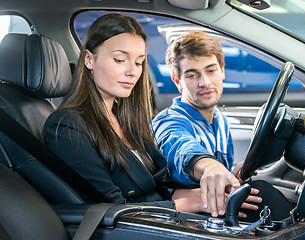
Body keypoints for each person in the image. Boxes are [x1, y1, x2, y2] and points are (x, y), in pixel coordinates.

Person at [43, 14, 211, 214]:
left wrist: (212, 194)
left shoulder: (124, 120)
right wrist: (194, 204)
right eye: (120, 59)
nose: (133, 71)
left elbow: (155, 191)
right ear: (89, 59)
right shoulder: (67, 125)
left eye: (139, 62)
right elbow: (112, 209)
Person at [152, 30, 294, 221]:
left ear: (222, 71)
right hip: (188, 219)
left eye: (210, 70)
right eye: (192, 75)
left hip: (218, 210)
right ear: (177, 81)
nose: (205, 82)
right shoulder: (169, 121)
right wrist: (210, 167)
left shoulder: (219, 119)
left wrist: (230, 176)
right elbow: (180, 147)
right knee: (263, 193)